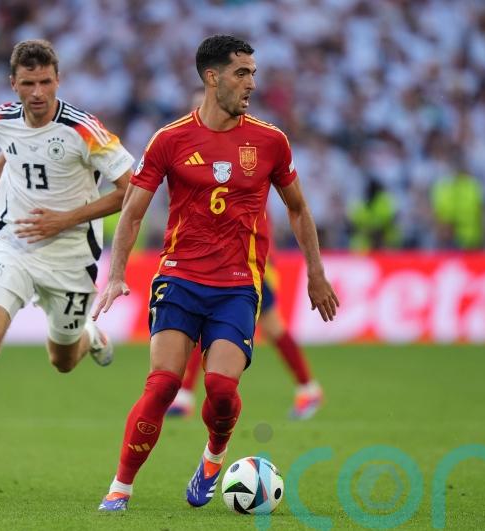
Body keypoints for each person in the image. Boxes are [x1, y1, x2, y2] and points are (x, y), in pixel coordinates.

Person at [92, 34, 338, 512]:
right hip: (180, 279)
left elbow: (299, 208)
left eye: (253, 73)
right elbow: (132, 211)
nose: (251, 83)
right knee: (162, 384)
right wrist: (117, 271)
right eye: (242, 73)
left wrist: (316, 273)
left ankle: (212, 459)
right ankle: (119, 488)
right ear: (213, 77)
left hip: (237, 288)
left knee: (222, 392)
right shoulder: (170, 139)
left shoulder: (270, 141)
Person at [0, 39, 135, 488]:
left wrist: (65, 218)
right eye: (28, 83)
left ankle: (88, 335)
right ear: (14, 84)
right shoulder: (3, 118)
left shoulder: (85, 130)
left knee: (62, 360)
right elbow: (12, 150)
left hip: (71, 259)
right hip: (13, 244)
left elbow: (132, 190)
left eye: (45, 82)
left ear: (58, 80)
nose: (37, 92)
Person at [167, 247, 325, 421]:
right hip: (222, 262)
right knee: (208, 321)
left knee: (271, 326)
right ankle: (184, 395)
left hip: (244, 264)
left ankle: (308, 388)